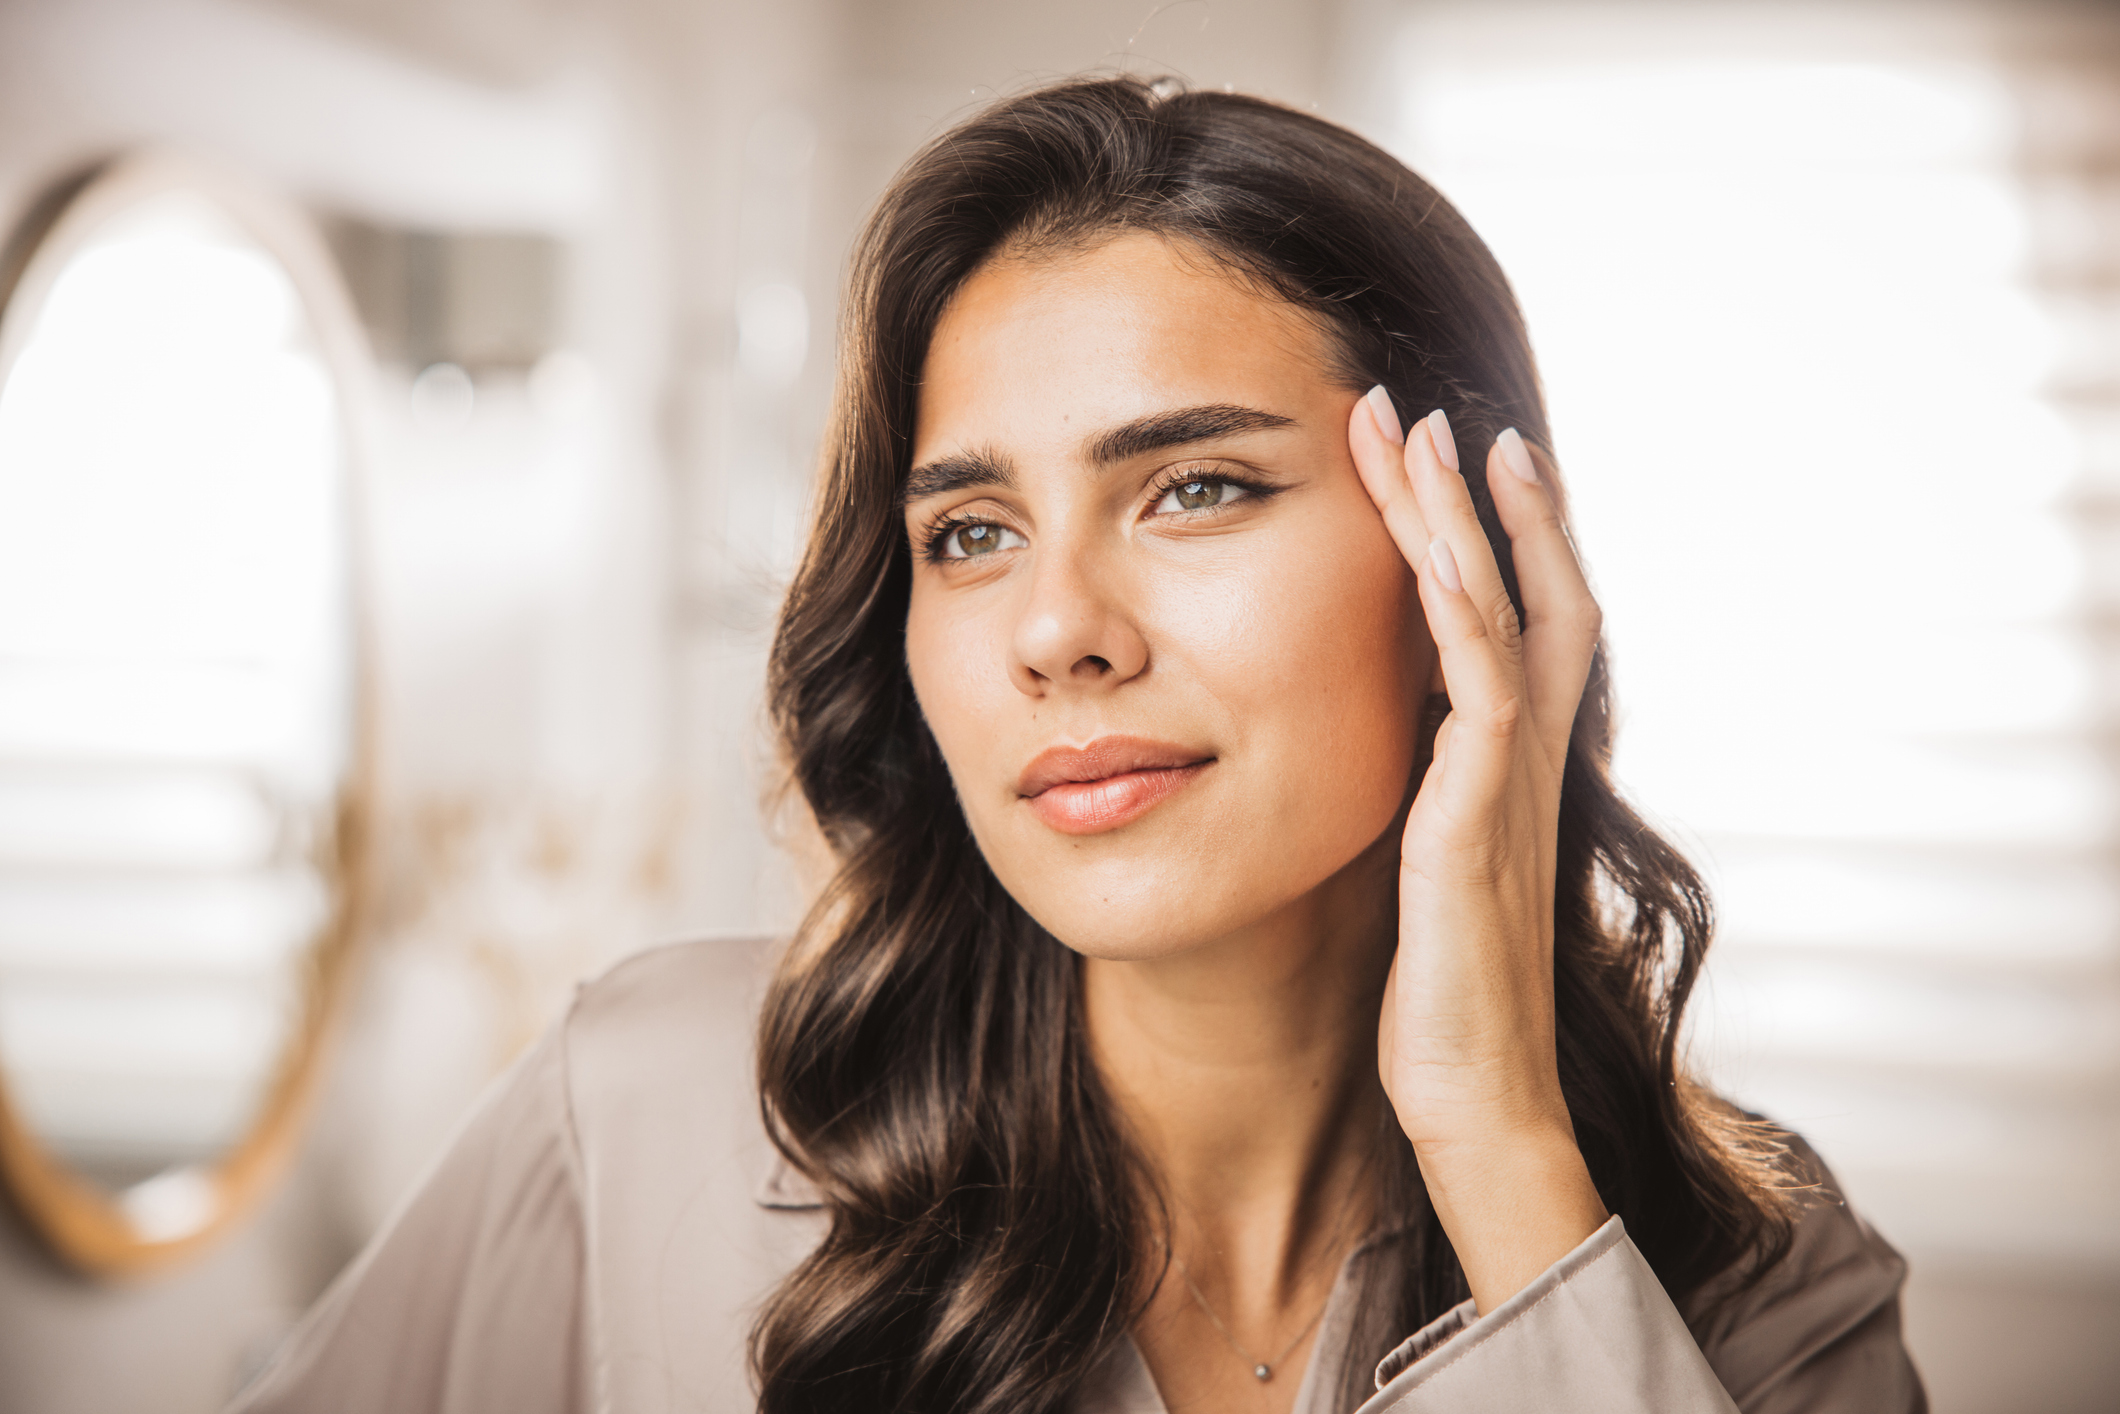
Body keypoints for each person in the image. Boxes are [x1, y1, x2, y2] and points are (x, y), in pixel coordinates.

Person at [232, 78, 1926, 1414]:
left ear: (1470, 558)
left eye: (1195, 488)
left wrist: (1493, 1131)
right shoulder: (642, 1117)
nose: (1057, 628)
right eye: (970, 531)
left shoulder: (1755, 1284)